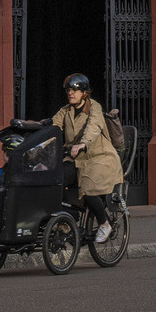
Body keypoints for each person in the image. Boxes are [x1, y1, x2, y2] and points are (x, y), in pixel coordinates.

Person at [53, 72, 124, 246]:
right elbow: (53, 125)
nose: (71, 93)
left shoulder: (94, 107)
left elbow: (93, 127)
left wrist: (83, 144)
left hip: (99, 157)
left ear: (84, 93)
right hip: (76, 159)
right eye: (69, 90)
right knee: (56, 180)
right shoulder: (66, 111)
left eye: (75, 90)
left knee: (88, 187)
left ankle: (104, 223)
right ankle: (67, 221)